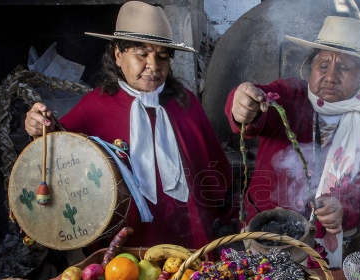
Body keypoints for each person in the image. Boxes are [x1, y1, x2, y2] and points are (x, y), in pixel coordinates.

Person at [24, 1, 233, 249]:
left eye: (162, 57)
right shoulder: (95, 106)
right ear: (118, 55)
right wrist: (40, 127)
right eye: (141, 54)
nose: (153, 66)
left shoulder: (185, 102)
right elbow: (62, 151)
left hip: (189, 233)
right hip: (123, 241)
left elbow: (214, 172)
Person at [225, 16, 360, 267]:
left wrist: (344, 207)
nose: (330, 77)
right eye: (323, 64)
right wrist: (242, 103)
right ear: (310, 66)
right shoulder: (289, 95)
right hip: (265, 233)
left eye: (345, 68)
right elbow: (256, 104)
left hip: (319, 243)